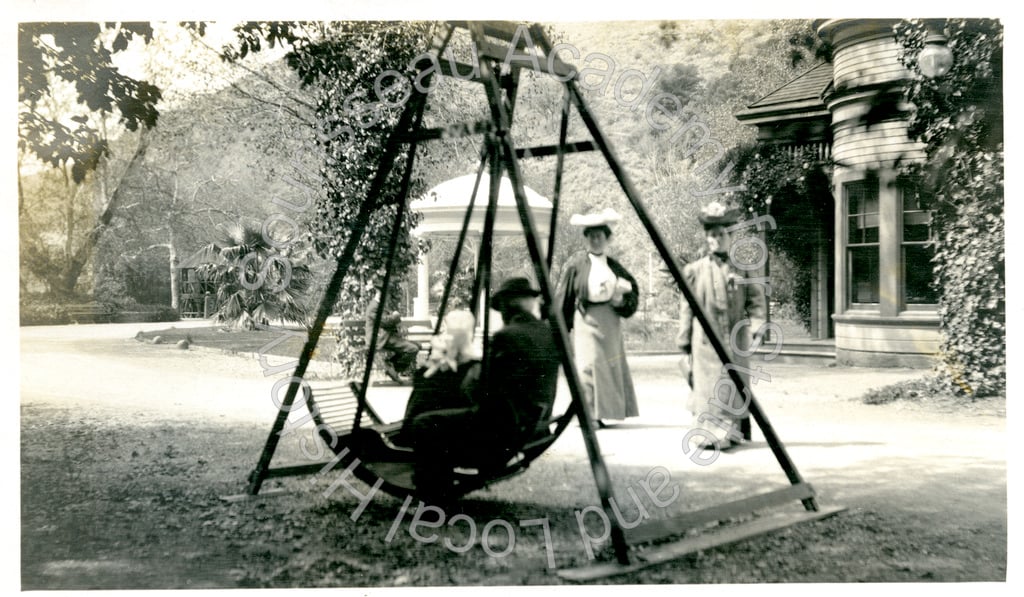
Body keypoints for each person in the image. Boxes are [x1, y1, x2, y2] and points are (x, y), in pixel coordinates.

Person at [402, 278, 561, 496]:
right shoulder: (547, 333)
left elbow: (477, 389)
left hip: (500, 433)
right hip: (532, 424)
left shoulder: (508, 336)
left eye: (500, 310)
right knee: (446, 413)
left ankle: (433, 498)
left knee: (424, 423)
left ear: (507, 307)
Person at [676, 202, 767, 452]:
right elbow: (687, 307)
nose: (716, 240)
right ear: (707, 238)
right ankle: (706, 435)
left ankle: (731, 432)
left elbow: (756, 302)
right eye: (711, 235)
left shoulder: (743, 269)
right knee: (707, 387)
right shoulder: (694, 271)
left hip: (736, 339)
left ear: (730, 237)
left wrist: (757, 328)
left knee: (732, 385)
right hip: (705, 341)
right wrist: (684, 342)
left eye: (720, 234)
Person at [556, 208, 640, 427]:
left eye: (599, 236)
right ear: (586, 239)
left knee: (607, 367)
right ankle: (589, 415)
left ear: (607, 239)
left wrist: (621, 302)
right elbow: (564, 297)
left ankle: (602, 414)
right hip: (585, 320)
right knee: (587, 365)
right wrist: (560, 328)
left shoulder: (614, 266)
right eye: (591, 236)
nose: (595, 240)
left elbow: (633, 291)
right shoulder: (576, 266)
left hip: (610, 322)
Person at [365, 286, 421, 383]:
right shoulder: (373, 307)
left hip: (387, 336)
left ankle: (391, 367)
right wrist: (395, 315)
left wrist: (398, 322)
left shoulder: (380, 305)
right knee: (413, 348)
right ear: (379, 294)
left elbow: (392, 319)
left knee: (417, 345)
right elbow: (385, 322)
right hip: (380, 338)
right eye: (385, 294)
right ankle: (392, 367)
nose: (387, 296)